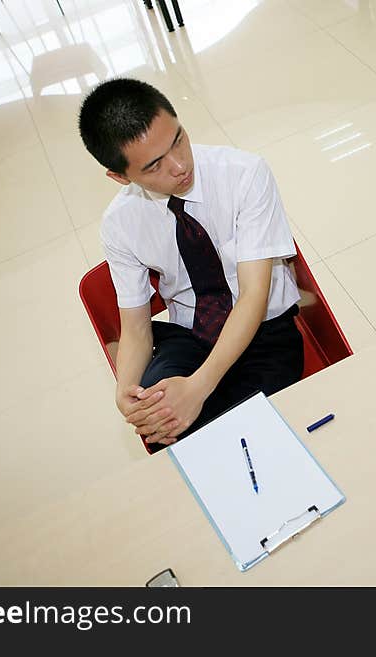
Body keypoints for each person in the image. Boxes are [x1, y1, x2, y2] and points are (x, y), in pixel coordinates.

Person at [78, 78, 303, 450]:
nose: (180, 166)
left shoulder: (244, 174)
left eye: (178, 140)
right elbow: (134, 329)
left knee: (229, 436)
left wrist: (197, 388)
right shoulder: (120, 222)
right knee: (161, 419)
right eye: (154, 166)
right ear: (120, 176)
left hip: (264, 331)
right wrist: (125, 393)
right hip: (190, 335)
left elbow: (253, 295)